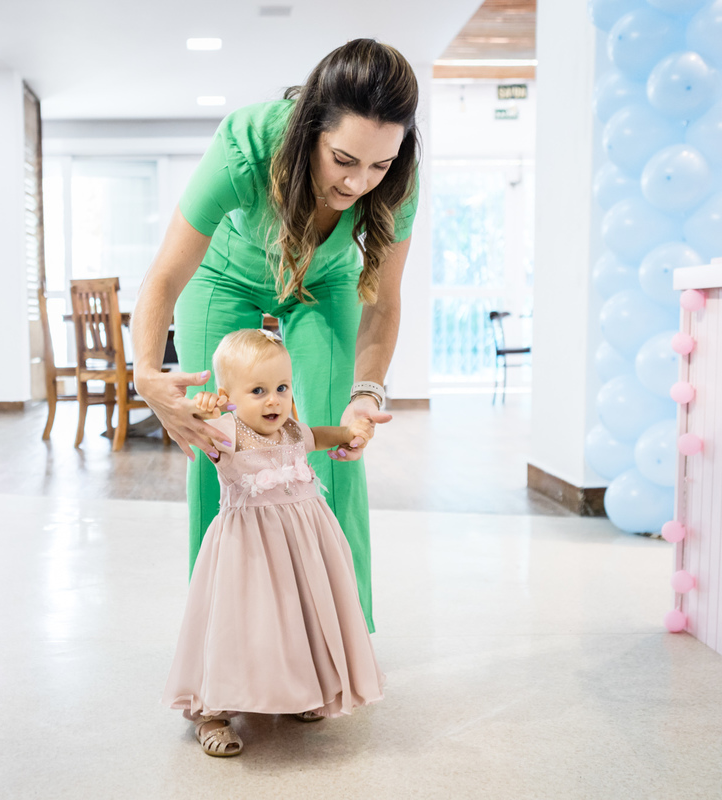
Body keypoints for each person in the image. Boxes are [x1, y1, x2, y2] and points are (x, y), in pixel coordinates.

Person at [132, 39, 420, 633]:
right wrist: (146, 376)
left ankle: (340, 634)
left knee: (341, 447)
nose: (359, 182)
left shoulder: (397, 184)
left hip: (326, 281)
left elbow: (384, 303)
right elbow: (165, 275)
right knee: (217, 442)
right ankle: (220, 637)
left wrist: (367, 392)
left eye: (379, 165)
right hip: (224, 275)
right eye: (344, 159)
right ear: (310, 128)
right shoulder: (247, 147)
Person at [162, 329, 386, 757]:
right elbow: (189, 425)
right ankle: (213, 710)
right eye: (259, 391)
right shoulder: (224, 434)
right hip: (249, 553)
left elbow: (318, 437)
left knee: (293, 619)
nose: (274, 401)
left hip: (301, 548)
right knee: (243, 624)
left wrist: (350, 431)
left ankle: (296, 690)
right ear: (228, 395)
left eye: (282, 388)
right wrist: (201, 407)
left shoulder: (289, 431)